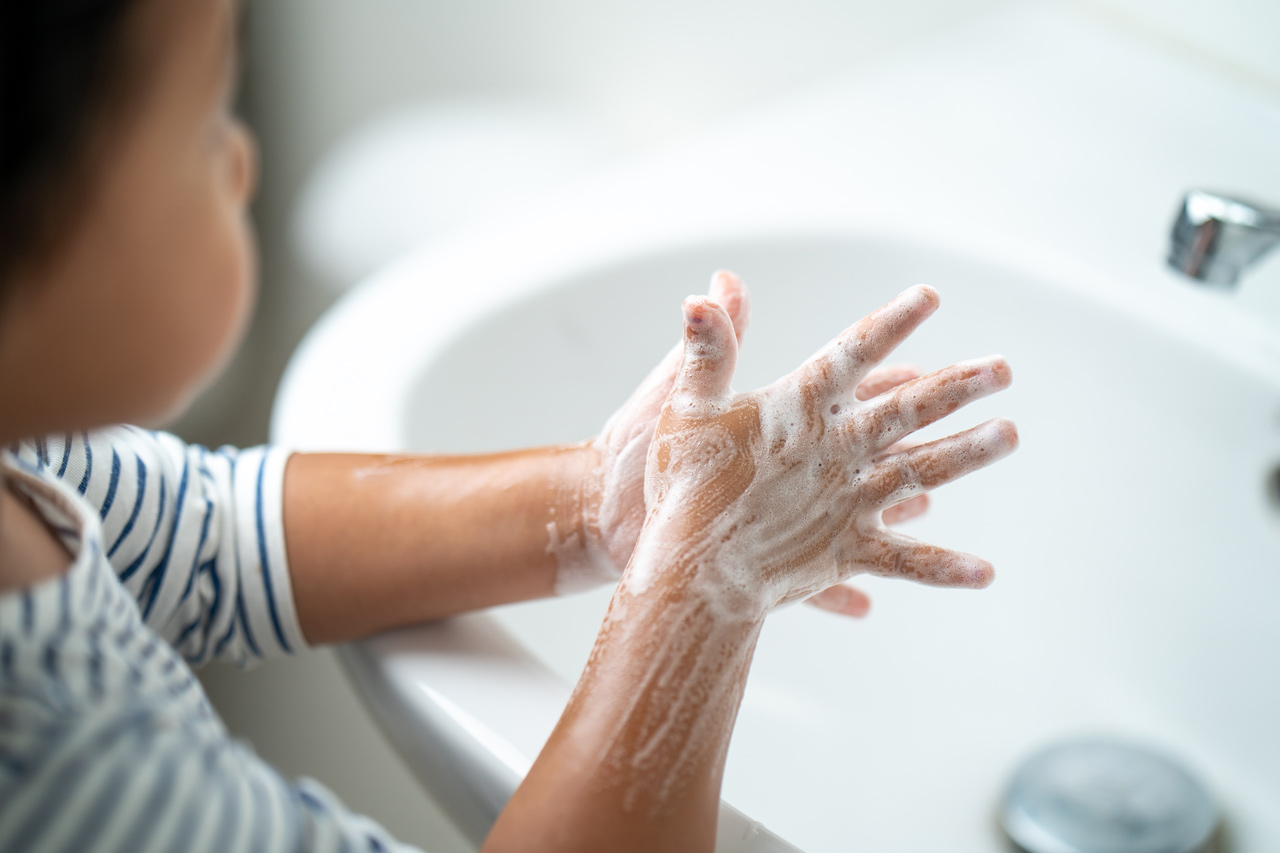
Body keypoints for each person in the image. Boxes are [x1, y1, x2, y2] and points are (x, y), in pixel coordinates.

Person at [0, 1, 1018, 851]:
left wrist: (593, 501)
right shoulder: (59, 769)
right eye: (202, 124)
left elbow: (200, 537)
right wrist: (701, 596)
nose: (239, 164)